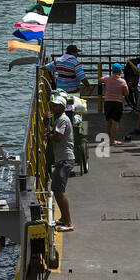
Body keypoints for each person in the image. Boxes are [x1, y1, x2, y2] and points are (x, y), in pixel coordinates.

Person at [50, 94, 77, 232]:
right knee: (56, 189)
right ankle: (63, 218)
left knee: (59, 190)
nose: (52, 107)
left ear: (61, 107)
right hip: (62, 158)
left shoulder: (62, 120)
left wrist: (48, 135)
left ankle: (68, 223)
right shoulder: (60, 119)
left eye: (55, 105)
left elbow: (59, 137)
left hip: (65, 159)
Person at [101, 63, 129, 146]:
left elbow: (100, 79)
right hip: (117, 103)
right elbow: (126, 93)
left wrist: (107, 80)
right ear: (120, 71)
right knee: (115, 122)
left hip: (108, 102)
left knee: (108, 121)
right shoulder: (122, 81)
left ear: (112, 71)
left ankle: (109, 139)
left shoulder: (107, 78)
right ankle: (113, 140)